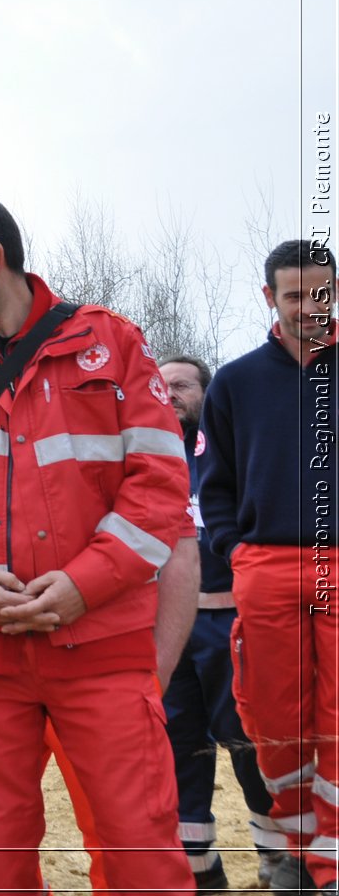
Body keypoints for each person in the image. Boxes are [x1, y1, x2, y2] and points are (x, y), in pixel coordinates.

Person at [0, 191, 193, 893]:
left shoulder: (112, 341)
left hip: (102, 650)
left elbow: (160, 481)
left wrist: (86, 582)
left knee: (143, 850)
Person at [200, 239, 338, 894]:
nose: (311, 307)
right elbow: (215, 483)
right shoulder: (234, 382)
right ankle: (295, 849)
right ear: (269, 298)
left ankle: (331, 861)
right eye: (295, 296)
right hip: (265, 566)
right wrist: (234, 550)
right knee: (274, 718)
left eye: (323, 294)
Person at [157, 352, 283, 891]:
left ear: (207, 393)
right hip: (165, 633)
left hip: (235, 624)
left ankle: (281, 868)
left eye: (182, 385)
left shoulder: (234, 449)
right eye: (161, 387)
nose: (171, 395)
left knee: (252, 748)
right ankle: (201, 878)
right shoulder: (147, 459)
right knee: (178, 754)